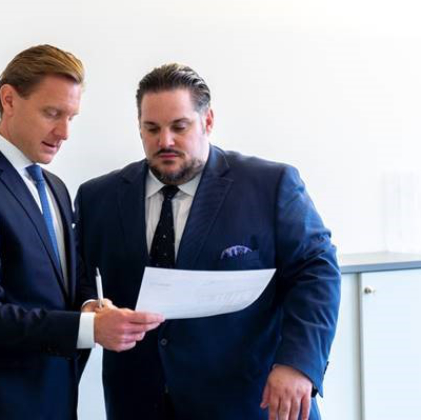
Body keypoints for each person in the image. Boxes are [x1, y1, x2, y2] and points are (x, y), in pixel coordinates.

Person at [75, 63, 341, 420]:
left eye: (179, 127)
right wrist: (90, 308)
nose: (165, 141)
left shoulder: (270, 185)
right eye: (151, 128)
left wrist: (298, 364)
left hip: (250, 401)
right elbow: (78, 280)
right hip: (138, 403)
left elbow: (317, 272)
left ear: (208, 121)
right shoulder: (98, 197)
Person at [0, 45, 163, 420]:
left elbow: (65, 283)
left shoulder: (55, 187)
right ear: (9, 100)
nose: (64, 132)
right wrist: (89, 328)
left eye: (71, 117)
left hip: (54, 397)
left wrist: (89, 306)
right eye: (51, 113)